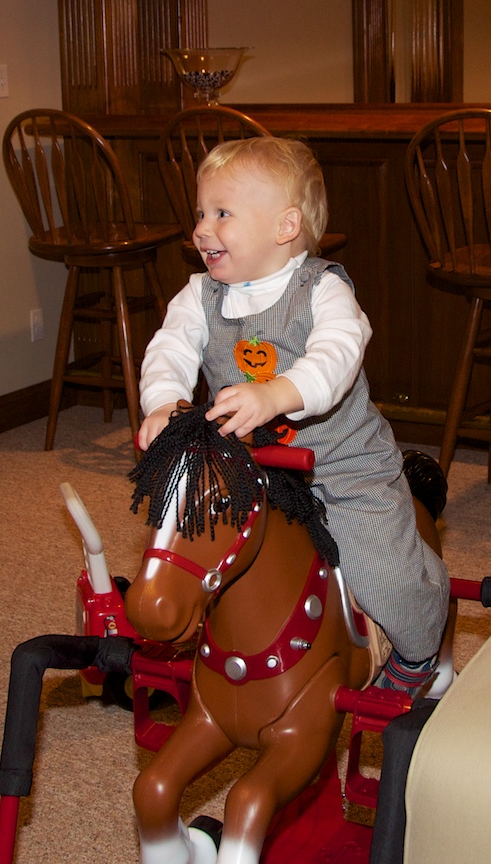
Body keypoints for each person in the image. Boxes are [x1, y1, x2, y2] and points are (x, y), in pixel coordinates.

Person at [137, 136, 449, 695]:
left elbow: (336, 356)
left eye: (222, 213)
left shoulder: (323, 290)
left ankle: (420, 652)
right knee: (189, 543)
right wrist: (164, 402)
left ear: (286, 226)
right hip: (246, 470)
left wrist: (278, 393)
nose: (202, 229)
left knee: (386, 575)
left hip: (340, 466)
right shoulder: (199, 295)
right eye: (200, 213)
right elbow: (170, 349)